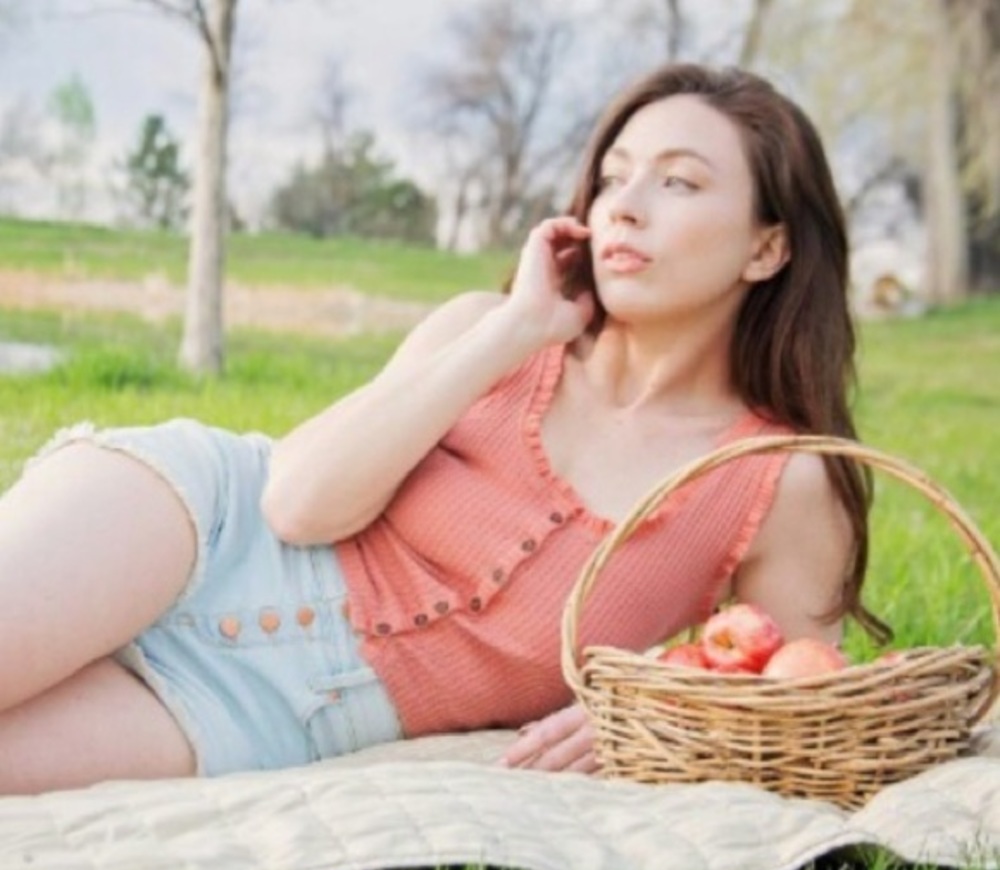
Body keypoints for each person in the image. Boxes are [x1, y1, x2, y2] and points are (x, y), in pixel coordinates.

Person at [0, 63, 884, 794]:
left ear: (767, 248)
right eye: (614, 175)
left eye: (679, 181)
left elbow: (798, 698)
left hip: (274, 708)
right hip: (195, 528)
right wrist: (511, 329)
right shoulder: (485, 332)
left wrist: (662, 708)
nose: (626, 204)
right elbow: (298, 504)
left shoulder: (777, 481)